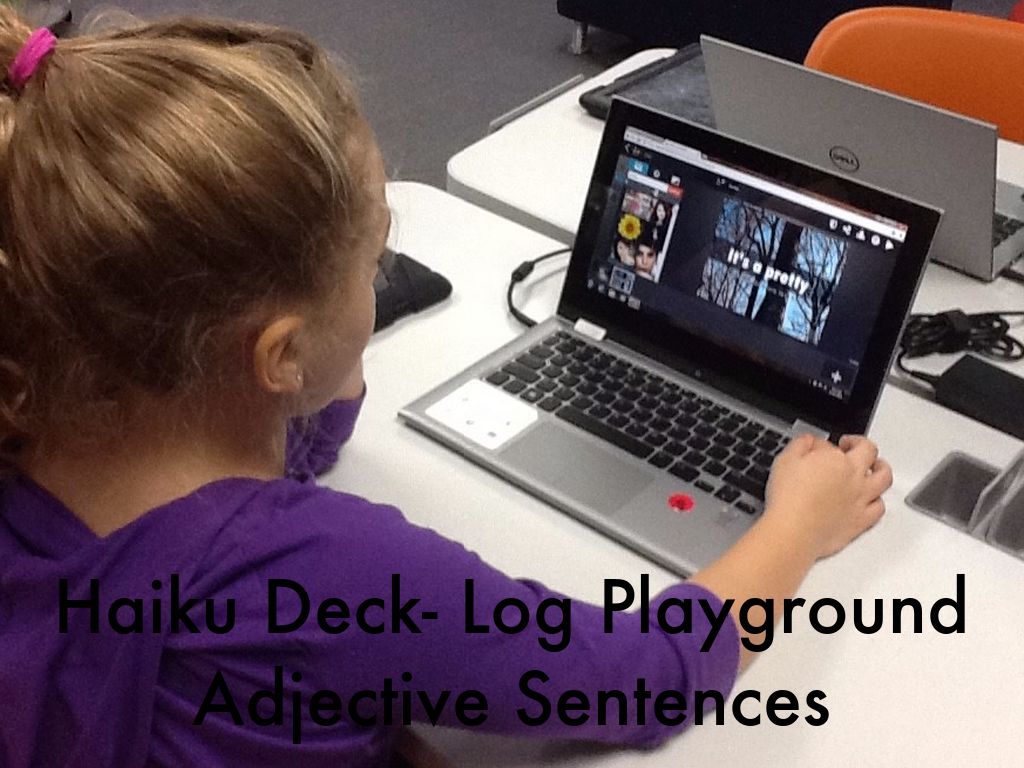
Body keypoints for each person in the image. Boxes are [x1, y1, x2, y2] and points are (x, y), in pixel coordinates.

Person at [0, 8, 892, 767]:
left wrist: (317, 347)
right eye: (371, 262)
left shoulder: (40, 440)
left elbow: (283, 445)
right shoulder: (333, 572)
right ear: (278, 355)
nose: (379, 275)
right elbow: (644, 677)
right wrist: (798, 526)